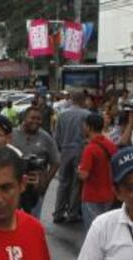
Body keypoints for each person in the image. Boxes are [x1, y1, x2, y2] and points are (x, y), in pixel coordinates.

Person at [11, 106, 60, 218]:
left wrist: (45, 182)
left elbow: (56, 162)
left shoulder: (46, 137)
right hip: (14, 186)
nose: (36, 121)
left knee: (33, 219)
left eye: (39, 119)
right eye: (32, 118)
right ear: (24, 118)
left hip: (35, 188)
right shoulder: (12, 135)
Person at [52, 92, 89, 223]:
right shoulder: (86, 115)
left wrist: (60, 148)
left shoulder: (62, 114)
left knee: (63, 183)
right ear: (83, 100)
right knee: (76, 183)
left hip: (65, 150)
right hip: (80, 150)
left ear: (72, 100)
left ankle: (58, 212)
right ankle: (72, 213)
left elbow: (57, 135)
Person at [77, 112, 117, 229]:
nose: (83, 128)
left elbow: (83, 175)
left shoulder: (90, 149)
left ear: (90, 127)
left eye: (85, 126)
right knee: (105, 229)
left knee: (93, 230)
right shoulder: (110, 145)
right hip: (109, 194)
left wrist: (78, 170)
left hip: (92, 196)